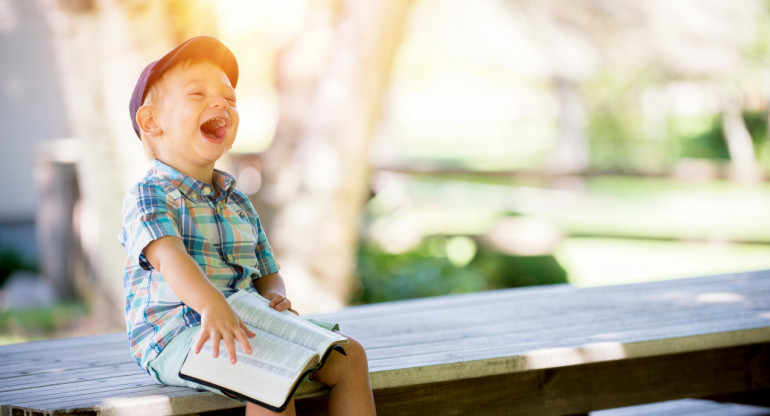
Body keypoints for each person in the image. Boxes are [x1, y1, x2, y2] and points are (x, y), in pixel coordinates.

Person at [119, 36, 376, 416]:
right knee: (272, 374)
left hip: (247, 319)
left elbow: (266, 270)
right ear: (150, 121)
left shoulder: (236, 198)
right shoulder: (150, 194)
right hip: (177, 334)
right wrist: (213, 305)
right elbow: (170, 259)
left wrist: (275, 295)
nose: (221, 102)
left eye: (230, 98)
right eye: (197, 93)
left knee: (350, 354)